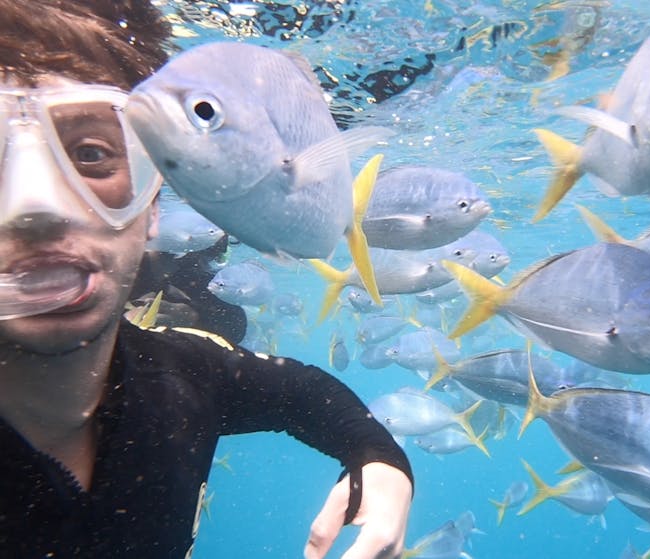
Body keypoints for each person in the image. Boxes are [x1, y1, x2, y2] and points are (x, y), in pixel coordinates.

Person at [0, 1, 413, 558]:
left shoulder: (180, 376)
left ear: (154, 201)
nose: (38, 210)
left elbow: (304, 392)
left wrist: (380, 460)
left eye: (92, 154)